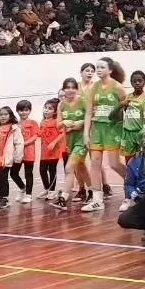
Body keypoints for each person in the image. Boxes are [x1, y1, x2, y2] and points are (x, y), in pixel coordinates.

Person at [83, 57, 129, 213]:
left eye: (102, 67)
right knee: (95, 162)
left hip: (112, 129)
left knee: (114, 163)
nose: (99, 69)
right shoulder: (93, 88)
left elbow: (128, 108)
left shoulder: (117, 87)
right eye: (97, 67)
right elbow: (89, 111)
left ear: (110, 70)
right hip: (97, 129)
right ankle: (97, 199)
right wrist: (86, 134)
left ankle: (134, 185)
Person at [54, 77, 89, 210]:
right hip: (70, 140)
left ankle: (63, 198)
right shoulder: (61, 104)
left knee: (69, 168)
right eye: (67, 87)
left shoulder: (83, 101)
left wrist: (82, 123)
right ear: (64, 89)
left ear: (77, 89)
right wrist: (64, 123)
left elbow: (91, 118)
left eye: (73, 87)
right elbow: (58, 124)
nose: (70, 90)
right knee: (81, 167)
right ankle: (91, 191)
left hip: (82, 140)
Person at [0, 105, 23, 210]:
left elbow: (19, 143)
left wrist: (18, 158)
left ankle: (5, 198)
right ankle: (0, 196)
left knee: (3, 178)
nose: (3, 116)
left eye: (6, 114)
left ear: (10, 116)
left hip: (7, 158)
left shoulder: (14, 128)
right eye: (1, 114)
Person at [38, 98, 64, 201]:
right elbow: (41, 133)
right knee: (42, 170)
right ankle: (47, 189)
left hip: (53, 151)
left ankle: (52, 191)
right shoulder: (42, 121)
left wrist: (54, 143)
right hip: (44, 151)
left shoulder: (56, 122)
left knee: (52, 171)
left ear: (55, 112)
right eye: (45, 107)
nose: (46, 110)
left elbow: (62, 133)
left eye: (49, 108)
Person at [12, 100, 38, 204]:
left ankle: (28, 194)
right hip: (18, 153)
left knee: (28, 173)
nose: (23, 112)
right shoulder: (15, 124)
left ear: (30, 111)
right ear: (17, 111)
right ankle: (22, 187)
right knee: (13, 173)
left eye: (26, 110)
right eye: (21, 110)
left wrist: (24, 143)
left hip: (29, 152)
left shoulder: (33, 123)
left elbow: (35, 136)